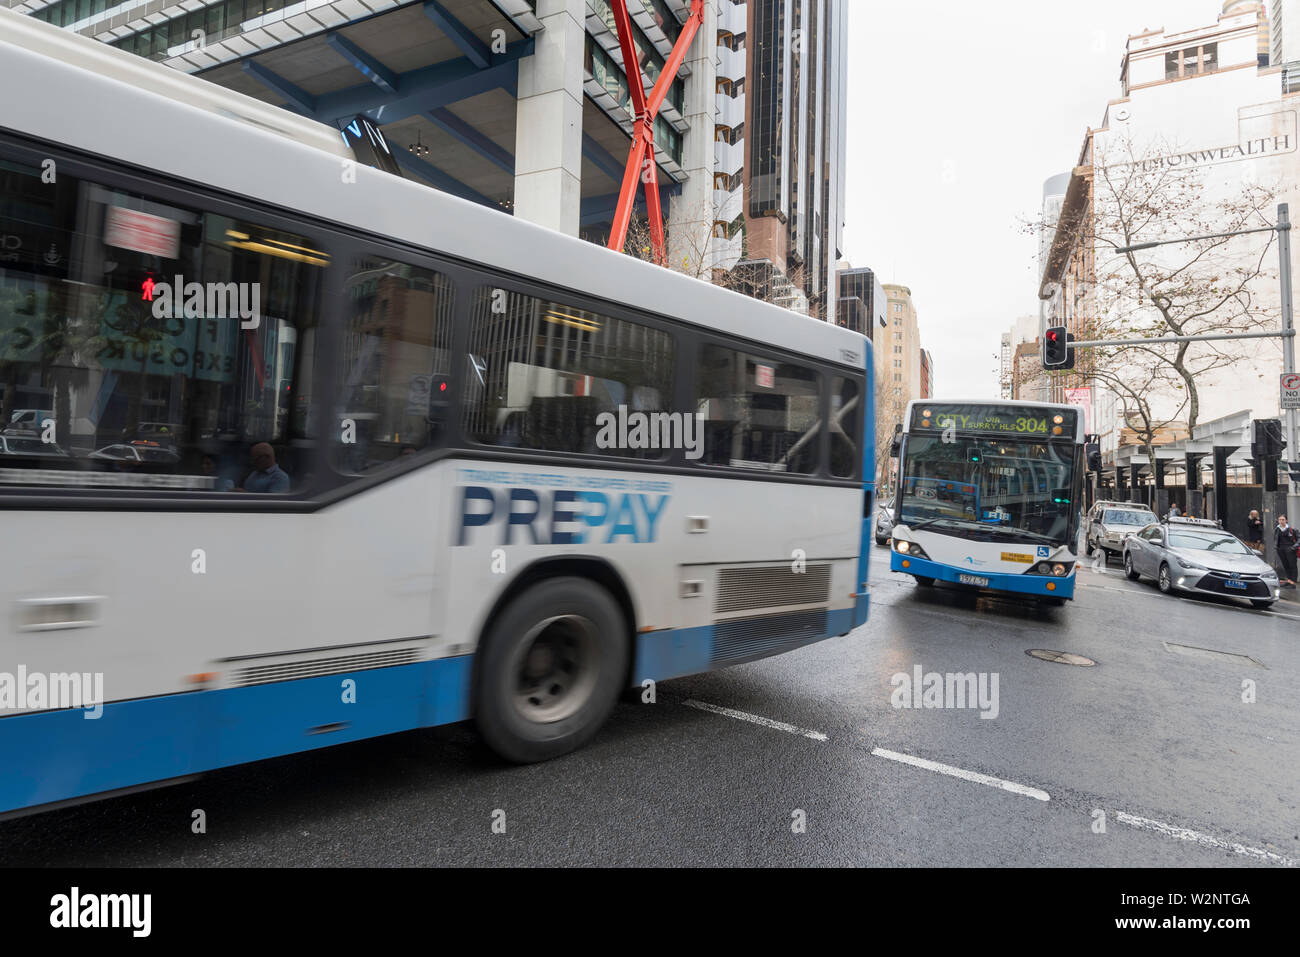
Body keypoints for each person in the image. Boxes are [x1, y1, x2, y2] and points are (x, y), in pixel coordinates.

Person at [1276, 515, 1298, 587]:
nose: (1281, 521)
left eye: (1283, 519)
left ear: (1286, 520)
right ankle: (1288, 580)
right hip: (1281, 550)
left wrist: (1293, 547)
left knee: (1292, 565)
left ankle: (1293, 582)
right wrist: (1277, 547)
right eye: (1280, 519)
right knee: (1286, 565)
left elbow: (1299, 539)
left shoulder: (1292, 529)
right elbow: (1275, 539)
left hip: (1290, 549)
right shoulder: (1277, 529)